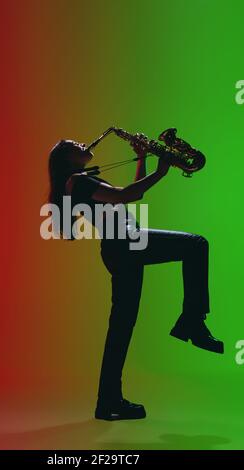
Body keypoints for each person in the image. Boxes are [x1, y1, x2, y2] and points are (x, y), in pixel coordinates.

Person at [47, 138, 224, 421]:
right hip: (128, 244)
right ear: (66, 158)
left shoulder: (78, 181)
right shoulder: (77, 181)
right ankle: (192, 321)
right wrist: (160, 172)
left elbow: (130, 195)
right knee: (196, 244)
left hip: (124, 247)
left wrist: (142, 160)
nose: (82, 143)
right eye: (74, 144)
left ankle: (107, 403)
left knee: (121, 328)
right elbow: (123, 195)